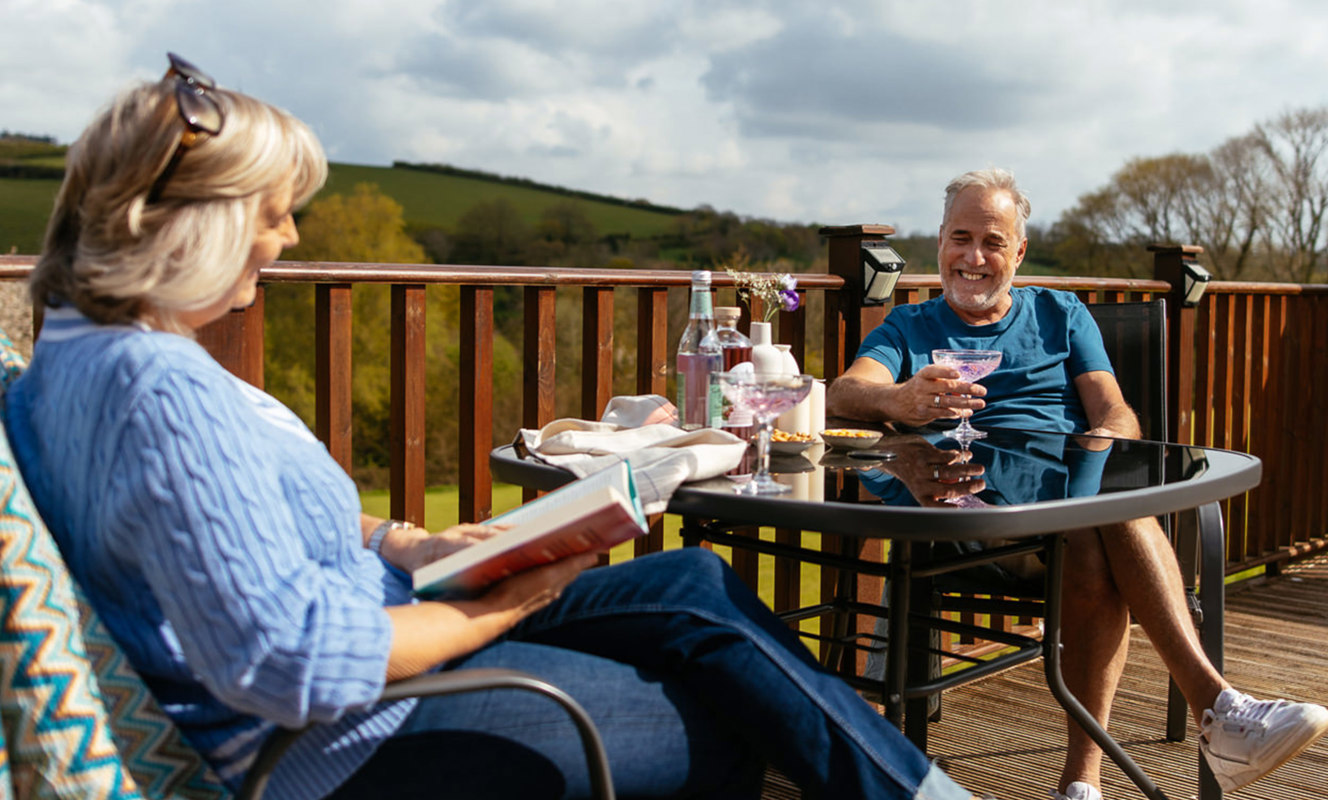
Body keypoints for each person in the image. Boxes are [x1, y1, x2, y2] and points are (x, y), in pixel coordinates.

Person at [1, 54, 998, 800]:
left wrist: (408, 538)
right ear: (193, 220)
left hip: (397, 617)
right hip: (348, 734)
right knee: (726, 721)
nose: (289, 235)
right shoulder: (158, 392)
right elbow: (288, 664)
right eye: (272, 211)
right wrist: (509, 601)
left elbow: (208, 529)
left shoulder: (70, 361)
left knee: (690, 583)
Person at [827, 167, 1328, 800]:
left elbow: (1114, 414)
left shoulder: (1061, 314)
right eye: (960, 237)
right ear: (939, 243)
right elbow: (846, 391)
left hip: (1066, 506)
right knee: (1107, 525)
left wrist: (1094, 463)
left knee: (1099, 530)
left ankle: (1084, 782)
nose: (973, 257)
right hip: (969, 521)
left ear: (1020, 251)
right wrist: (902, 397)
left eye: (993, 241)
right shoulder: (909, 327)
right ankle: (1212, 715)